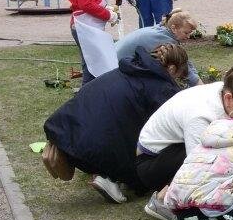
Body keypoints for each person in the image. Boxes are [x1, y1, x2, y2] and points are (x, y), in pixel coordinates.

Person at [42, 43, 188, 203]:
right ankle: (110, 177)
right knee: (146, 165)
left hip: (67, 128)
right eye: (179, 76)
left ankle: (101, 172)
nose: (177, 81)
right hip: (95, 146)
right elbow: (169, 125)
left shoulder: (129, 68)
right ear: (172, 69)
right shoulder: (160, 87)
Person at [135, 61, 233, 220]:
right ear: (228, 99)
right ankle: (162, 200)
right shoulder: (201, 115)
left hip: (175, 148)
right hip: (153, 161)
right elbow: (198, 164)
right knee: (216, 157)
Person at [114, 9, 200, 86]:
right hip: (114, 68)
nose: (188, 36)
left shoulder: (161, 30)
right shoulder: (165, 41)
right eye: (186, 33)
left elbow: (185, 62)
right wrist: (202, 88)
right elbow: (184, 66)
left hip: (112, 58)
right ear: (174, 28)